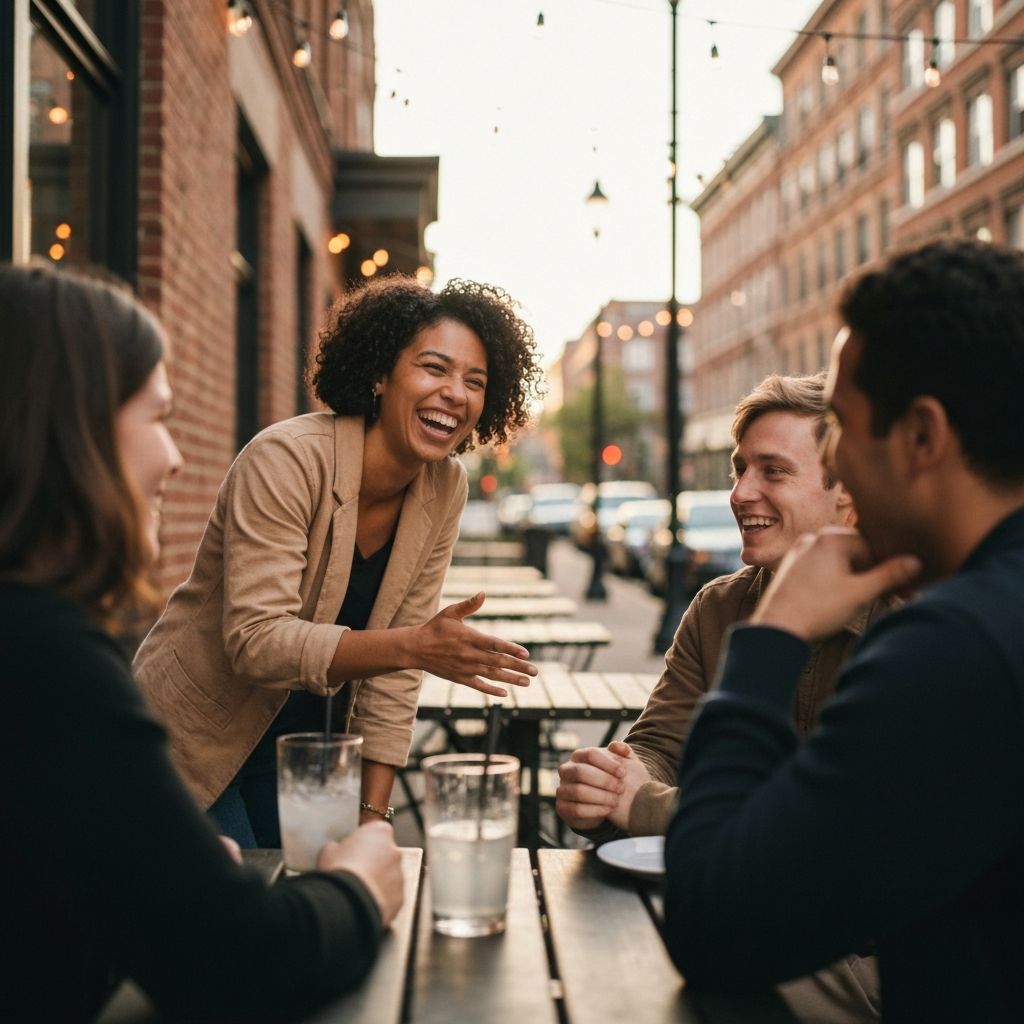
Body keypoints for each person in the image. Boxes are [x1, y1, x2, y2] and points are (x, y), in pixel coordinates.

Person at [0, 263, 404, 1023]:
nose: (174, 458)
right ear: (69, 427)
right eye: (155, 417)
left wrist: (148, 888)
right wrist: (357, 886)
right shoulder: (45, 656)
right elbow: (241, 962)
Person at [662, 238, 1024, 1021]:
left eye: (845, 435)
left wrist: (775, 633)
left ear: (923, 436)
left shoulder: (956, 650)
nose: (842, 471)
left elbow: (716, 920)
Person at [133, 275, 544, 848]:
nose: (456, 393)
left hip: (308, 755)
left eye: (474, 382)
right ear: (380, 375)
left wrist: (374, 818)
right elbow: (256, 640)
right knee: (244, 916)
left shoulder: (444, 487)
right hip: (192, 740)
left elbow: (394, 679)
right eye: (434, 368)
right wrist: (414, 646)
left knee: (322, 902)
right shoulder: (287, 460)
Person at [557, 373, 886, 1023]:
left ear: (845, 494)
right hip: (755, 915)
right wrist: (610, 781)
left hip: (878, 957)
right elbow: (658, 745)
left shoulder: (910, 615)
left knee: (638, 988)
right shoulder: (719, 605)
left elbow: (831, 837)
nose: (740, 494)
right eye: (739, 470)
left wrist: (645, 806)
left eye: (773, 472)